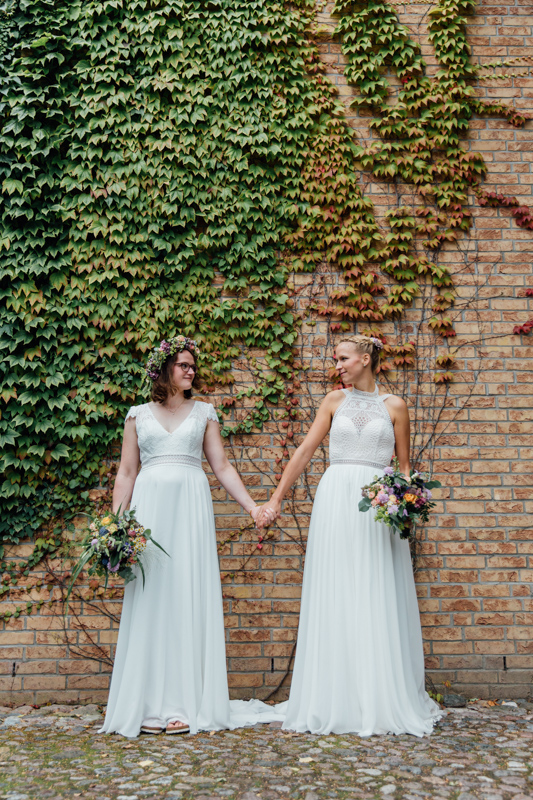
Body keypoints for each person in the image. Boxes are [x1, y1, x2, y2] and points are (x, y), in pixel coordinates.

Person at [258, 335, 443, 736]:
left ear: (365, 358)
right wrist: (275, 499)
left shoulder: (395, 406)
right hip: (335, 501)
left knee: (374, 590)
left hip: (377, 508)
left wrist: (409, 503)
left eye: (343, 358)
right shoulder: (332, 401)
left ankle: (376, 695)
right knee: (336, 588)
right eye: (336, 359)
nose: (337, 365)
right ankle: (333, 694)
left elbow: (405, 467)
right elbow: (305, 451)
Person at [100, 335, 275, 737]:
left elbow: (223, 467)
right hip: (150, 513)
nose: (190, 370)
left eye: (193, 365)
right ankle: (146, 702)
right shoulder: (137, 415)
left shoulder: (204, 413)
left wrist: (251, 507)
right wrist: (114, 526)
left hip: (191, 512)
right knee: (152, 598)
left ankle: (183, 703)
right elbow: (127, 473)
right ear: (164, 369)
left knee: (185, 596)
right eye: (182, 364)